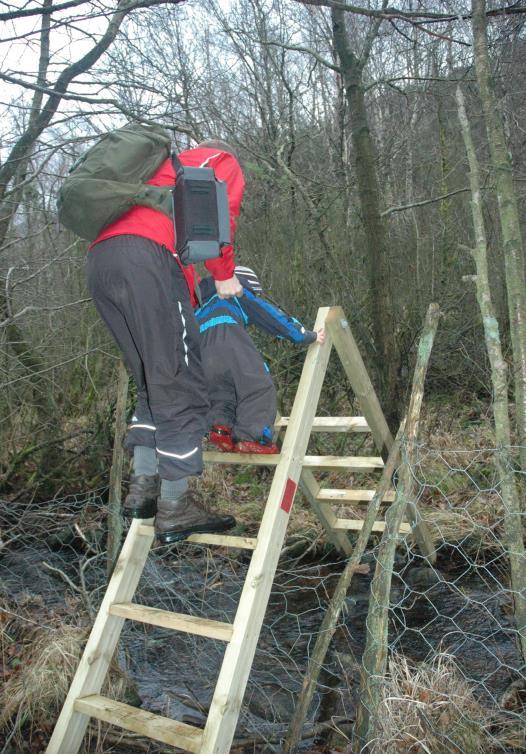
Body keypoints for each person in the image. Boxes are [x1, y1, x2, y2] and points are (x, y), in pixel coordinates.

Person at [86, 139, 244, 545]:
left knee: (152, 382)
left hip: (102, 262)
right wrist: (224, 272)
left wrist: (187, 303)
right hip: (147, 258)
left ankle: (143, 490)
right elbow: (218, 211)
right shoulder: (219, 159)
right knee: (179, 380)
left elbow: (179, 267)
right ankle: (176, 506)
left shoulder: (154, 178)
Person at [196, 265, 325, 454]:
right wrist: (306, 335)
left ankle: (220, 427)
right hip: (229, 341)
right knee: (257, 386)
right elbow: (272, 318)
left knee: (222, 391)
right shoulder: (238, 294)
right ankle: (252, 436)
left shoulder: (201, 304)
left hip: (201, 353)